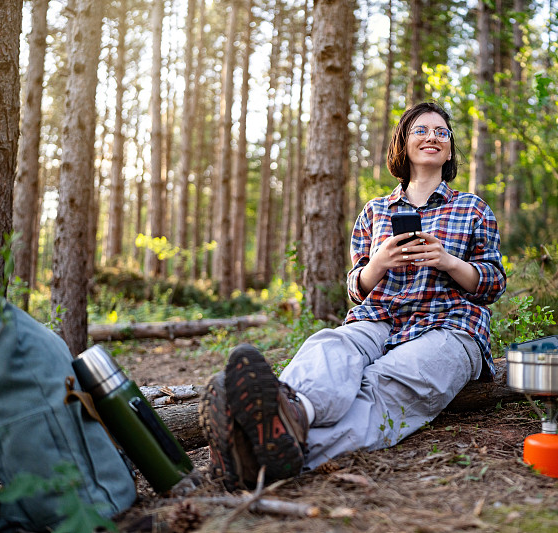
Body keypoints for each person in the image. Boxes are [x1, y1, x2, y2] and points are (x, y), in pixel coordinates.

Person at [200, 101, 507, 488]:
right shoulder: (375, 211)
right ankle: (294, 414)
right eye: (421, 130)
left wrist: (448, 261)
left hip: (449, 325)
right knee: (331, 347)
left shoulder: (473, 208)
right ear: (403, 144)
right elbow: (356, 289)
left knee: (383, 383)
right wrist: (377, 263)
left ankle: (262, 455)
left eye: (441, 132)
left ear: (449, 149)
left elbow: (494, 282)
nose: (432, 136)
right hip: (379, 318)